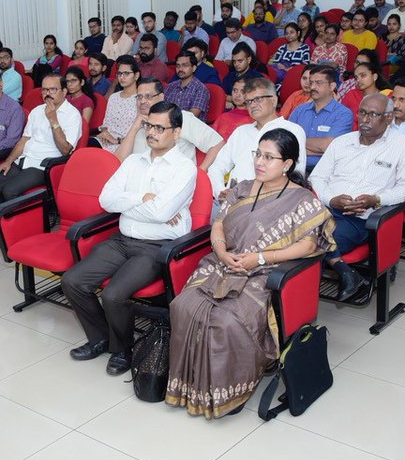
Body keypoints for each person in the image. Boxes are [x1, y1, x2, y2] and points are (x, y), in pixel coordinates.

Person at [165, 129, 334, 419]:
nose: (259, 162)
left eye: (269, 157)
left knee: (227, 320)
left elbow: (309, 245)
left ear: (287, 164)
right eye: (258, 154)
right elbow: (219, 224)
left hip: (266, 272)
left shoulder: (302, 200)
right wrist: (221, 252)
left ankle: (229, 390)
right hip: (223, 263)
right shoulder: (241, 189)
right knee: (183, 305)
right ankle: (192, 385)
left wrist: (260, 258)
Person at [63, 102, 198, 376]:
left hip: (156, 248)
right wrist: (142, 198)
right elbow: (106, 199)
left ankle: (122, 350)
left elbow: (161, 212)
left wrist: (130, 205)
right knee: (72, 281)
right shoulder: (133, 161)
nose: (152, 132)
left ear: (176, 132)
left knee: (113, 295)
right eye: (149, 126)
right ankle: (100, 338)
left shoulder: (185, 168)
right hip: (122, 239)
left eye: (160, 127)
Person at [309, 93, 405, 299]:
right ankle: (344, 271)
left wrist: (376, 199)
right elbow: (317, 178)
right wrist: (331, 199)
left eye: (373, 114)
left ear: (388, 118)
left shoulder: (403, 144)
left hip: (359, 218)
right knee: (292, 238)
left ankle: (300, 305)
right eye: (362, 113)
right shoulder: (341, 142)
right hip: (323, 210)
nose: (365, 119)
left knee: (310, 245)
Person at [0, 73, 83, 246]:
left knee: (10, 190)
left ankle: (18, 232)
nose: (47, 94)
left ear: (64, 91)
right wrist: (8, 161)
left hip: (45, 166)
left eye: (53, 89)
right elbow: (24, 140)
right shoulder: (36, 111)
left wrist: (53, 119)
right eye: (44, 90)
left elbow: (66, 150)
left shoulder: (72, 115)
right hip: (24, 160)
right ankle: (5, 228)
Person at [208, 78, 307, 199]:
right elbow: (217, 167)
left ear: (274, 100)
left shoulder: (292, 130)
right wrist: (220, 191)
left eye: (258, 99)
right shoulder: (241, 131)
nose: (253, 105)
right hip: (231, 200)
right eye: (249, 101)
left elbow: (296, 174)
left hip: (271, 201)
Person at [117, 79, 223, 168]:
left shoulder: (181, 117)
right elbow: (118, 161)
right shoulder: (139, 122)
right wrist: (134, 128)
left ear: (161, 97)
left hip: (174, 180)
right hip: (140, 181)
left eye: (148, 96)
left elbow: (218, 144)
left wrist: (200, 174)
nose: (142, 101)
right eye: (139, 97)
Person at [288, 65, 354, 171]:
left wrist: (298, 144)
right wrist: (318, 148)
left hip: (326, 172)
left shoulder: (343, 114)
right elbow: (286, 141)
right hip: (295, 169)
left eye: (318, 83)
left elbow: (328, 146)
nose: (313, 87)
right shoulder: (300, 110)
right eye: (311, 83)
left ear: (332, 86)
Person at [93, 55, 141, 152]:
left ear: (136, 75)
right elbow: (106, 122)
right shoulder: (114, 97)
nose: (122, 77)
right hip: (106, 140)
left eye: (126, 73)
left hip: (125, 144)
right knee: (88, 146)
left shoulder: (141, 99)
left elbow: (139, 132)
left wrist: (116, 140)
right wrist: (104, 133)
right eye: (119, 73)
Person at [164, 52, 211, 118]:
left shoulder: (200, 89)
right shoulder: (170, 86)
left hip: (190, 124)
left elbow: (191, 117)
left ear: (194, 68)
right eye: (178, 65)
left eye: (185, 65)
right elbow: (161, 108)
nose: (180, 69)